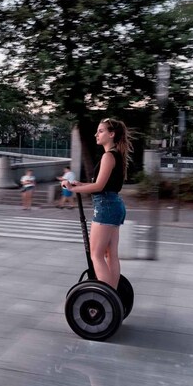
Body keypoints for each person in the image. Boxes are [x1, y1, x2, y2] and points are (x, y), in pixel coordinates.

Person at [62, 118, 130, 289]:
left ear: (111, 134)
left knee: (96, 255)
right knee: (111, 255)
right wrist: (80, 184)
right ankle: (113, 296)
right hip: (114, 205)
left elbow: (99, 186)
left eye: (100, 131)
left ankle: (106, 299)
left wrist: (72, 189)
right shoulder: (116, 155)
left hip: (106, 206)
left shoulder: (108, 156)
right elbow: (103, 185)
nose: (96, 134)